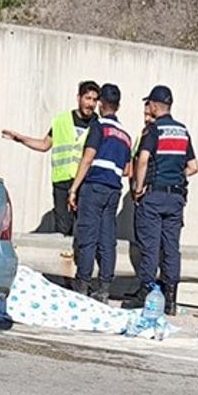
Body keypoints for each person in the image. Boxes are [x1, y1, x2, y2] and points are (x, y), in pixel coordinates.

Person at [125, 85, 198, 315]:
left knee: (150, 245)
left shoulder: (154, 130)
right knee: (171, 247)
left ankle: (146, 290)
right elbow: (194, 167)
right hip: (176, 197)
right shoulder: (183, 131)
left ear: (155, 105)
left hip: (154, 195)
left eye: (149, 104)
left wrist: (138, 187)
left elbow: (144, 159)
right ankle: (171, 299)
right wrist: (176, 177)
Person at [2, 80, 100, 236]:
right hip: (62, 182)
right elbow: (44, 144)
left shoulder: (98, 124)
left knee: (84, 228)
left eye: (94, 100)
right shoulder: (62, 121)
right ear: (78, 98)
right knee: (63, 229)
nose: (91, 104)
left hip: (86, 182)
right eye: (87, 98)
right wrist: (20, 139)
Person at [67, 84, 132, 302]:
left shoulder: (98, 127)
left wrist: (74, 189)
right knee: (107, 239)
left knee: (87, 236)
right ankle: (104, 288)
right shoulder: (125, 135)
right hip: (113, 190)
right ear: (118, 106)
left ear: (101, 103)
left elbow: (87, 158)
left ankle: (82, 286)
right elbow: (127, 170)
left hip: (94, 187)